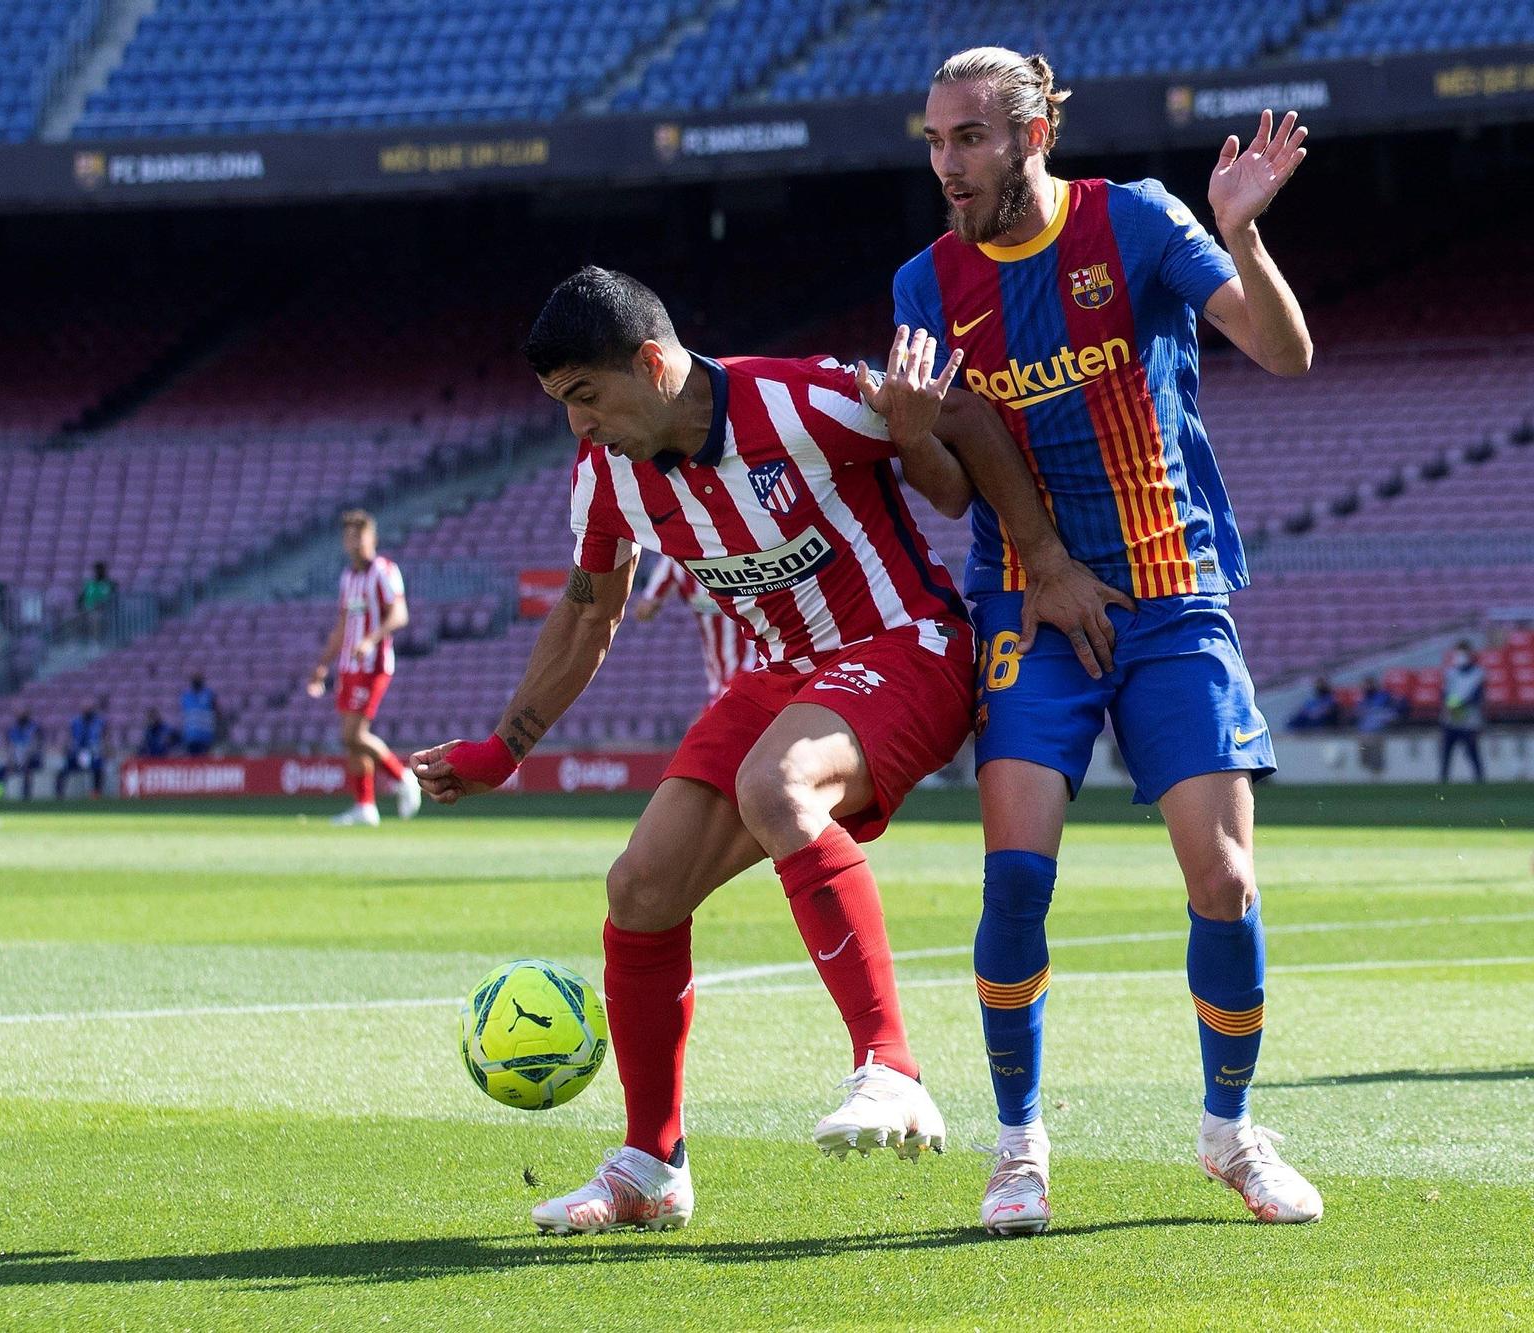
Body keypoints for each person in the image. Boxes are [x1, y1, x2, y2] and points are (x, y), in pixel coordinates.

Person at [413, 266, 1114, 1236]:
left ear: (653, 364)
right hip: (782, 672)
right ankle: (651, 1163)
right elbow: (586, 621)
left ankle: (891, 1069)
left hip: (906, 646)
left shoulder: (799, 398)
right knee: (639, 887)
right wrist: (501, 748)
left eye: (585, 397)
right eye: (558, 405)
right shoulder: (605, 476)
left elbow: (960, 431)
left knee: (775, 784)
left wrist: (1038, 559)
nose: (576, 426)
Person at [902, 47, 1323, 1232]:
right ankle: (1017, 1144)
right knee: (1014, 882)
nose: (947, 165)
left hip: (1172, 592)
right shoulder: (925, 283)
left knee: (1224, 878)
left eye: (969, 138)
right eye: (934, 142)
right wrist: (907, 425)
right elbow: (942, 486)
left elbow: (1281, 351)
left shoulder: (1136, 222)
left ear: (1032, 135)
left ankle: (1228, 1132)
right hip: (1025, 608)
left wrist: (1241, 237)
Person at [307, 510, 423, 825]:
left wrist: (371, 640)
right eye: (349, 536)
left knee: (354, 733)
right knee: (349, 739)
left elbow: (400, 614)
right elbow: (343, 625)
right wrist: (323, 664)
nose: (355, 542)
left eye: (360, 535)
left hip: (374, 665)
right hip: (348, 667)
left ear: (372, 538)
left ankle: (403, 777)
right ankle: (365, 806)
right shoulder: (348, 578)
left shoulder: (384, 571)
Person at [633, 554, 762, 704]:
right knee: (702, 725)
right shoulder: (674, 561)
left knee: (707, 726)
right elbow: (644, 611)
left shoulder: (738, 551)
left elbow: (645, 610)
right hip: (719, 682)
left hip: (752, 668)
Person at [1439, 642, 1486, 782]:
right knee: (1446, 751)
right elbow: (1444, 694)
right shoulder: (1450, 673)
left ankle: (1480, 779)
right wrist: (1451, 705)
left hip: (1470, 718)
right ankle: (1443, 780)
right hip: (1451, 717)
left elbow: (1477, 695)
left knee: (1472, 750)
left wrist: (1459, 704)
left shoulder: (1478, 673)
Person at [1355, 674, 1405, 775]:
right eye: (1365, 684)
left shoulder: (1384, 697)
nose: (1367, 687)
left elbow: (1397, 708)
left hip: (1378, 732)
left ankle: (1377, 772)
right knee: (1362, 752)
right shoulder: (1362, 699)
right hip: (1363, 733)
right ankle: (1367, 770)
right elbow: (1357, 713)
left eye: (1369, 684)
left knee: (1375, 751)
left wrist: (1387, 717)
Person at [55, 702, 107, 798]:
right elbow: (70, 737)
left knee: (98, 768)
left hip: (92, 753)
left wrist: (104, 749)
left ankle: (96, 793)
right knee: (62, 770)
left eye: (89, 708)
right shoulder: (75, 722)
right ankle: (59, 794)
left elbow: (104, 738)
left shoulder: (99, 722)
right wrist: (66, 748)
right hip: (77, 753)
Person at [0, 712, 43, 800]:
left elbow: (35, 747)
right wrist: (10, 761)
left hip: (32, 759)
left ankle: (26, 797)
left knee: (27, 769)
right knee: (0, 771)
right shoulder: (13, 730)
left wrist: (25, 760)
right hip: (16, 760)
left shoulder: (35, 729)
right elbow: (9, 747)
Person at [181, 674, 220, 756]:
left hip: (206, 735)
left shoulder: (209, 695)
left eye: (198, 679)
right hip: (191, 735)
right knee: (193, 762)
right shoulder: (186, 696)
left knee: (204, 761)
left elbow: (216, 711)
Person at [80, 562, 117, 641]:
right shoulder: (90, 584)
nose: (98, 572)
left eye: (101, 570)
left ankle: (97, 641)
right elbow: (81, 598)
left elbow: (114, 599)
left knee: (96, 618)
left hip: (105, 611)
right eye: (97, 570)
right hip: (88, 609)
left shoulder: (110, 584)